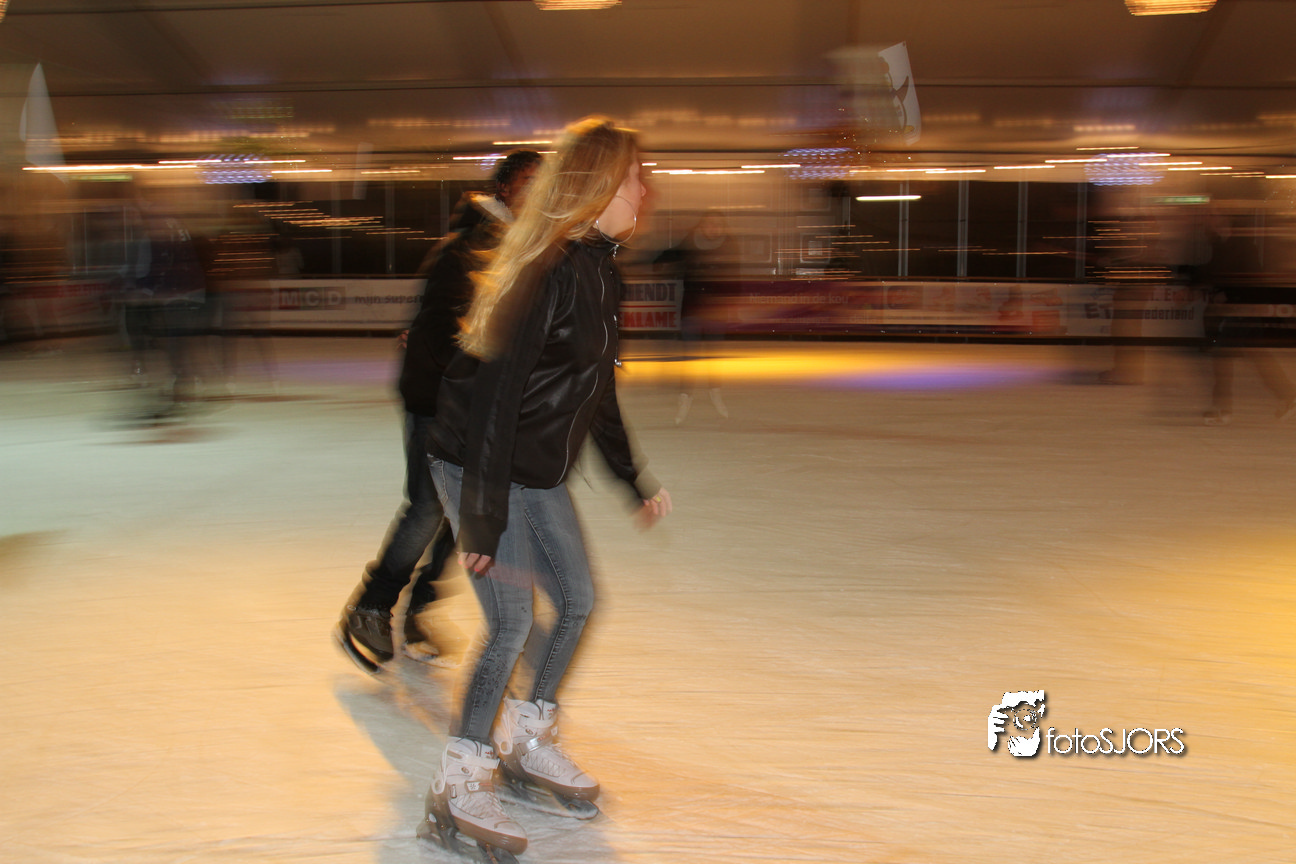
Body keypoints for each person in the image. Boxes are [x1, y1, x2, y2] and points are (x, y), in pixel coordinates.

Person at [419, 117, 671, 861]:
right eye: (635, 177)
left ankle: (526, 742)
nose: (645, 189)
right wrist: (482, 519)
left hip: (532, 469)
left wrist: (630, 475)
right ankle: (459, 780)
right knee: (509, 624)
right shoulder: (548, 270)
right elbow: (495, 400)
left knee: (578, 600)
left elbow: (597, 390)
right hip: (477, 462)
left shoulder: (602, 270)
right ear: (601, 185)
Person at [336, 150, 542, 672]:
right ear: (504, 189)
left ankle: (419, 608)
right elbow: (444, 337)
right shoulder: (467, 249)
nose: (538, 194)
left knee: (461, 512)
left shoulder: (516, 247)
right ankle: (371, 606)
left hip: (475, 404)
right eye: (528, 183)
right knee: (430, 507)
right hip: (439, 400)